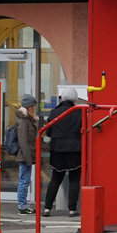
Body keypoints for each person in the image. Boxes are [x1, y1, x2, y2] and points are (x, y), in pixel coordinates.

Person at [43, 87, 82, 217]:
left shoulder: (55, 112)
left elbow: (48, 131)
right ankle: (72, 209)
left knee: (55, 178)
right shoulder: (78, 112)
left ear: (62, 97)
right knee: (74, 179)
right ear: (74, 99)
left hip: (57, 149)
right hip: (75, 149)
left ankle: (47, 208)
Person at [15, 94, 39, 214]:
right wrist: (28, 159)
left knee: (24, 180)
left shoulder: (27, 119)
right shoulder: (24, 121)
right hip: (24, 156)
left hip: (26, 155)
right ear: (29, 107)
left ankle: (23, 205)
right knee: (24, 181)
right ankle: (22, 206)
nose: (34, 108)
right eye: (33, 106)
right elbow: (23, 141)